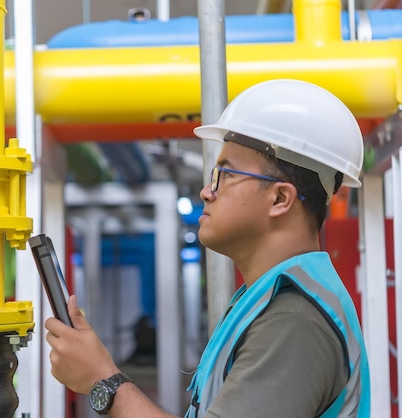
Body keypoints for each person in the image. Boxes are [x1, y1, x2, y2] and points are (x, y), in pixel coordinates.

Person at [44, 79, 371, 417]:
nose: (206, 192)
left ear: (279, 198)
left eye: (225, 176)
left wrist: (102, 379)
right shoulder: (267, 299)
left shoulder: (294, 321)